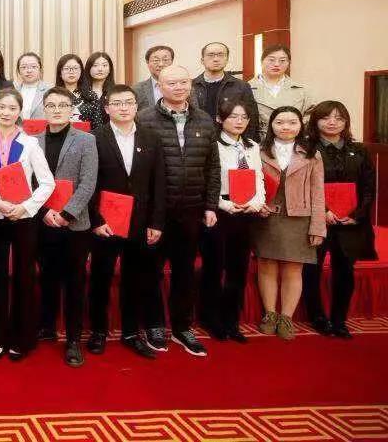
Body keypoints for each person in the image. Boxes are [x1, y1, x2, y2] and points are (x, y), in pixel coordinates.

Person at [135, 65, 219, 357]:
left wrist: (210, 205)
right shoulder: (144, 119)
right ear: (159, 86)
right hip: (156, 212)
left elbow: (213, 166)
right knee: (151, 271)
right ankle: (154, 324)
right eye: (171, 83)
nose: (179, 87)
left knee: (185, 271)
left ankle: (183, 327)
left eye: (184, 82)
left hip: (192, 209)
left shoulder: (204, 120)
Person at [85, 85, 165, 360]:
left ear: (136, 106)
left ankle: (131, 333)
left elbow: (159, 183)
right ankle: (98, 331)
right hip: (105, 223)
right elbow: (89, 183)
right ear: (107, 108)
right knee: (101, 278)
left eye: (128, 102)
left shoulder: (152, 138)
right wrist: (95, 220)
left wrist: (156, 222)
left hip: (141, 222)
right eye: (117, 103)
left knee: (135, 279)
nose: (123, 108)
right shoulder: (94, 138)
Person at [0, 88, 55, 361]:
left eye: (12, 108)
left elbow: (47, 183)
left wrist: (25, 207)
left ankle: (21, 338)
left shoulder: (30, 143)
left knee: (24, 277)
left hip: (24, 218)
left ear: (20, 112)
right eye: (2, 107)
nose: (6, 113)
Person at [34, 87, 98, 367]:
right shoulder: (33, 141)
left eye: (62, 105)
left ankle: (73, 339)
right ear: (44, 109)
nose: (57, 110)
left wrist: (67, 213)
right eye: (51, 105)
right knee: (47, 276)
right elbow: (31, 182)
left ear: (71, 109)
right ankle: (47, 326)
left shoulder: (86, 140)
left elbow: (88, 182)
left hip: (75, 224)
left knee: (74, 282)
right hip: (43, 221)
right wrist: (45, 212)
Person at [303, 101, 378, 338]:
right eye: (326, 117)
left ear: (346, 122)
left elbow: (368, 188)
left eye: (338, 118)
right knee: (312, 269)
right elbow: (304, 187)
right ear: (315, 121)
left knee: (345, 269)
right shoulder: (306, 149)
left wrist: (356, 215)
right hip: (317, 220)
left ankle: (339, 320)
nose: (332, 122)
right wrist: (322, 211)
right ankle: (317, 316)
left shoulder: (359, 151)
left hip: (350, 223)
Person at [254, 106, 326, 340]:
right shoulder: (258, 150)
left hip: (299, 218)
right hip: (266, 217)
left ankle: (286, 317)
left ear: (301, 125)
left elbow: (318, 193)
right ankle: (270, 314)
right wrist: (256, 206)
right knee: (266, 265)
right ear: (271, 125)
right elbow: (249, 183)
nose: (286, 127)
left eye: (292, 122)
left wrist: (318, 227)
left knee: (294, 268)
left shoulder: (312, 153)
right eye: (280, 122)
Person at [197, 99, 265, 344]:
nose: (239, 121)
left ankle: (231, 320)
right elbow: (205, 181)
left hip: (246, 212)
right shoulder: (212, 145)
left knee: (238, 269)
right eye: (233, 117)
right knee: (214, 268)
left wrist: (257, 202)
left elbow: (258, 178)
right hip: (219, 212)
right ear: (220, 119)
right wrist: (224, 204)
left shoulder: (252, 146)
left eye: (244, 117)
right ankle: (211, 318)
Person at [248, 45, 315, 139]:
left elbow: (311, 115)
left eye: (282, 60)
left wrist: (295, 128)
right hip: (258, 141)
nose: (276, 64)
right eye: (271, 60)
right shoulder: (246, 88)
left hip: (293, 140)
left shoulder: (301, 90)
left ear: (288, 63)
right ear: (262, 61)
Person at [192, 42, 259, 134]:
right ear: (202, 60)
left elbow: (252, 118)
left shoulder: (241, 86)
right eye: (211, 55)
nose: (216, 59)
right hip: (199, 138)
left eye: (220, 55)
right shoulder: (191, 86)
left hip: (230, 138)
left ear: (227, 59)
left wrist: (248, 141)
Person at [54, 53, 104, 130]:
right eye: (67, 68)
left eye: (75, 68)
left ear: (81, 72)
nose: (71, 72)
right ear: (60, 73)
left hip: (86, 136)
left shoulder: (91, 95)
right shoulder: (53, 95)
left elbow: (98, 125)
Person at [133, 45, 174, 111]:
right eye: (156, 60)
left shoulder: (185, 86)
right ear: (147, 63)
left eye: (165, 60)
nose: (161, 64)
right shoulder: (136, 89)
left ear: (172, 62)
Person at [12, 52, 48, 120]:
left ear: (40, 70)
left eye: (34, 67)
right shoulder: (13, 90)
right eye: (24, 67)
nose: (29, 71)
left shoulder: (49, 90)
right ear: (19, 71)